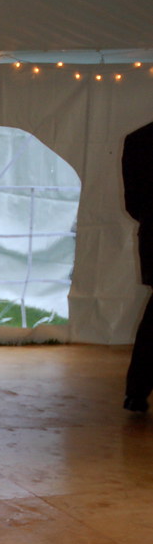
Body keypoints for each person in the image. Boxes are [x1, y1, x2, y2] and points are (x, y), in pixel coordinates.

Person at [122, 121, 153, 413]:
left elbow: (134, 204)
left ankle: (137, 391)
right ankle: (137, 389)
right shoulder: (140, 140)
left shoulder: (138, 139)